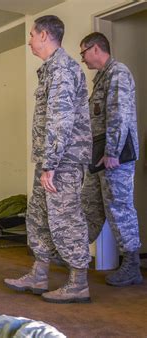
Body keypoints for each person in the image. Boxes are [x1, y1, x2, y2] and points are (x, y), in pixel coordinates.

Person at [4, 15, 92, 303]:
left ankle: (78, 283)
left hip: (62, 162)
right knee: (39, 217)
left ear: (44, 35)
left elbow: (60, 120)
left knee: (66, 220)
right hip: (49, 161)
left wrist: (51, 164)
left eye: (31, 34)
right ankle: (39, 274)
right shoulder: (49, 70)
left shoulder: (64, 70)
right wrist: (45, 162)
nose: (29, 40)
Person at [79, 32, 142, 287]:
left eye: (83, 52)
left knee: (119, 207)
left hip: (115, 156)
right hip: (99, 155)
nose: (82, 58)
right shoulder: (103, 77)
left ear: (96, 49)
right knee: (90, 205)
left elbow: (119, 115)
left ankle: (132, 264)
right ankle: (76, 254)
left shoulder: (118, 73)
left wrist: (113, 152)